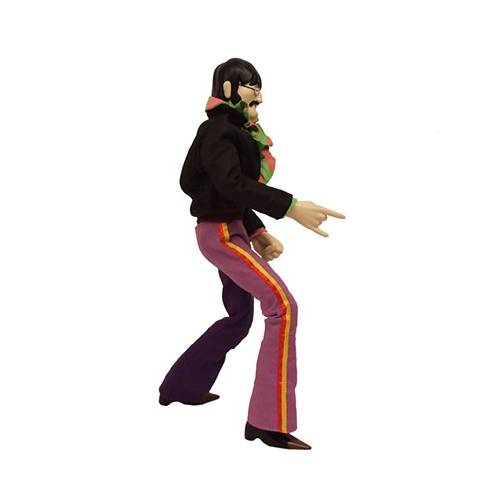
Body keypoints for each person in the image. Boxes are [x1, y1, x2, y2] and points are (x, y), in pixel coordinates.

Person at [159, 58, 344, 450]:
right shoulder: (219, 131)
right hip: (221, 236)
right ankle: (267, 421)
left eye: (259, 94)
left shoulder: (231, 131)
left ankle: (182, 386)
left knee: (239, 316)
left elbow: (225, 190)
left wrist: (257, 232)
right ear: (228, 90)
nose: (258, 99)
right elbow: (230, 185)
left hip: (232, 230)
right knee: (282, 307)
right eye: (251, 90)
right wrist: (290, 206)